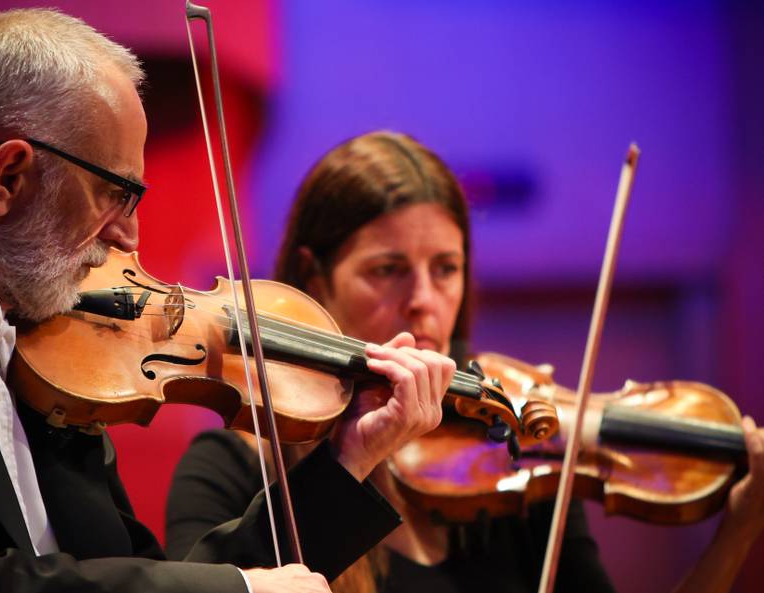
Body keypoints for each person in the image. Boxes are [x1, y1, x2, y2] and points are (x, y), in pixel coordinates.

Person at [0, 12, 457, 593]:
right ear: (9, 177)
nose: (128, 237)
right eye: (115, 194)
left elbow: (156, 575)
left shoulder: (45, 347)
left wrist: (348, 458)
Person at [164, 131, 764, 592]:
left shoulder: (514, 451)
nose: (424, 301)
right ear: (315, 276)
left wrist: (737, 533)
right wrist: (352, 459)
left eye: (446, 269)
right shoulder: (234, 468)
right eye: (387, 270)